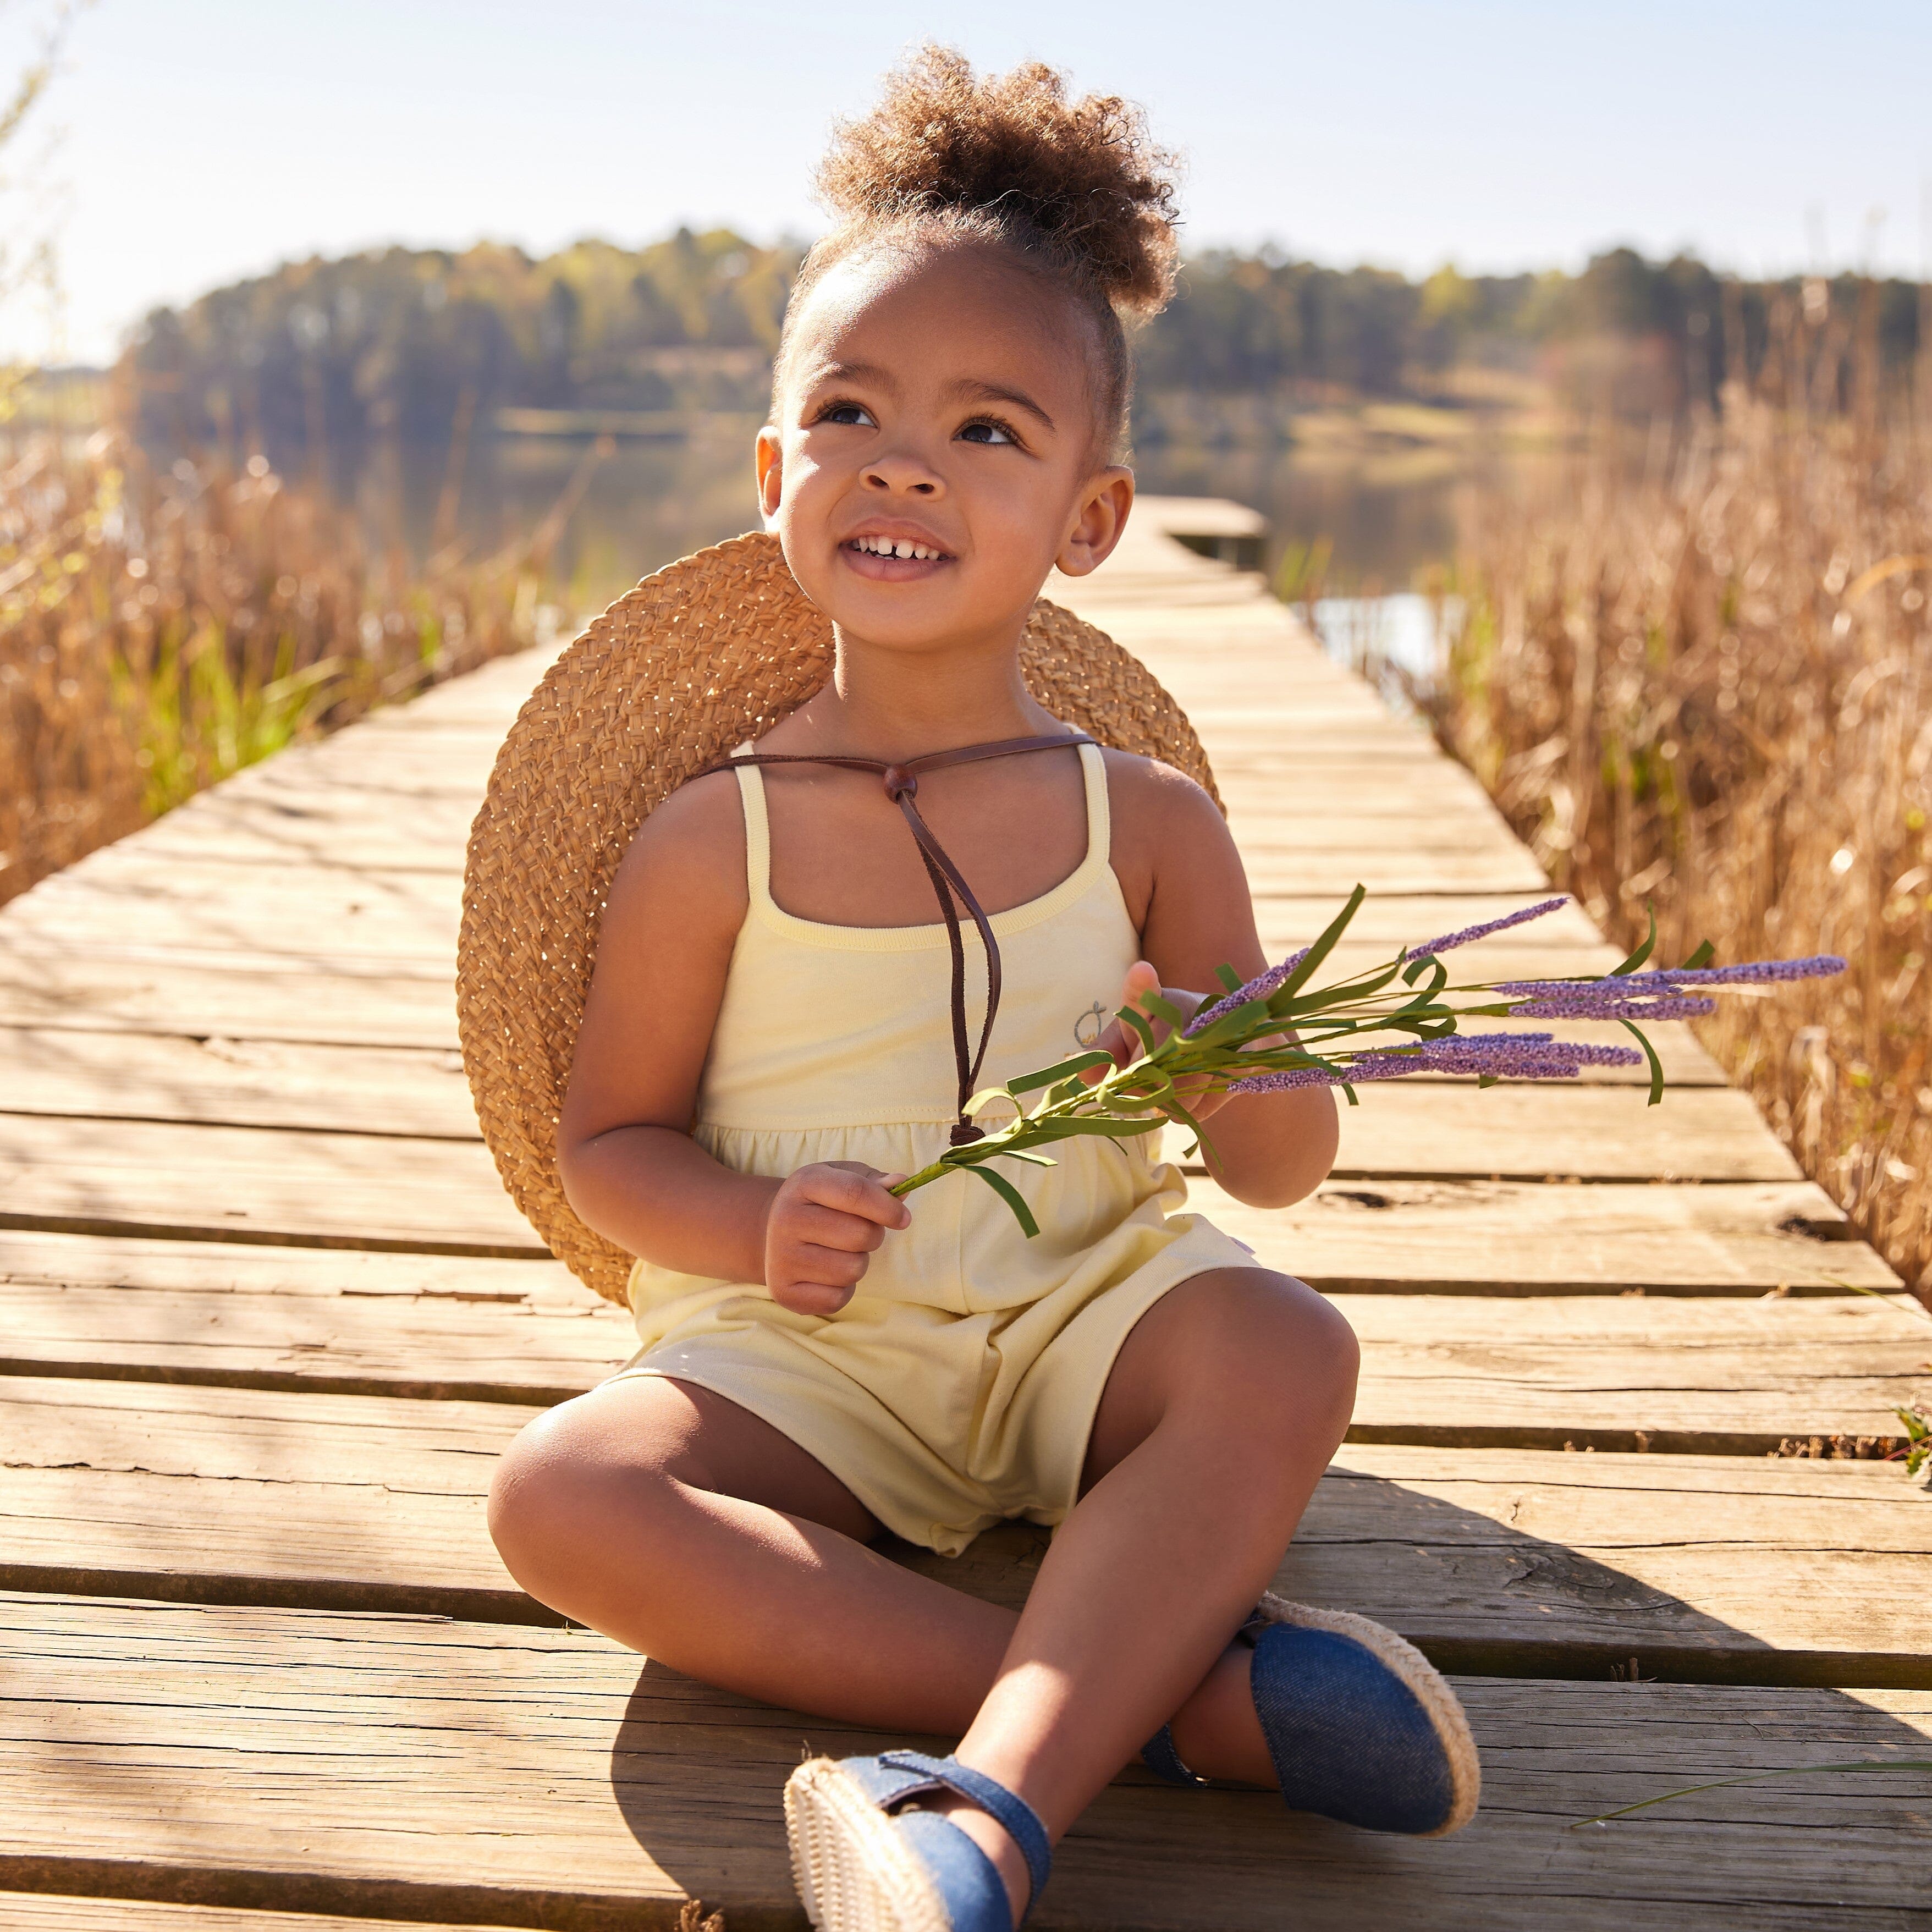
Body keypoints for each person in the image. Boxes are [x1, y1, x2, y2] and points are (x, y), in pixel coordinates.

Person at [486, 47, 1477, 1932]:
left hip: (1081, 1308)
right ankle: (1150, 1696)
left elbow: (1275, 1167)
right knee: (558, 1499)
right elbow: (605, 1142)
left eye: (990, 430)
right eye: (851, 408)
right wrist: (756, 1218)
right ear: (779, 473)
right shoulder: (718, 834)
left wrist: (1209, 1068)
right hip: (807, 1355)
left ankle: (984, 1812)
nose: (906, 458)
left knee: (1287, 1345)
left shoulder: (1146, 820)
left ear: (1089, 520)